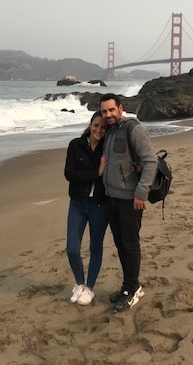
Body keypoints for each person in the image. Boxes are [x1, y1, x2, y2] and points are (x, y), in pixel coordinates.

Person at [99, 93, 157, 313]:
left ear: (120, 108)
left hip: (131, 200)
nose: (108, 114)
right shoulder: (109, 132)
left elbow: (150, 160)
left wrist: (141, 193)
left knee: (130, 244)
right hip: (112, 198)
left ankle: (131, 290)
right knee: (121, 244)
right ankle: (131, 285)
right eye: (104, 111)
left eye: (111, 110)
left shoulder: (134, 129)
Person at [64, 110, 108, 306]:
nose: (99, 130)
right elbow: (69, 174)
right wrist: (96, 173)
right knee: (72, 248)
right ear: (90, 125)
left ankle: (89, 287)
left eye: (103, 127)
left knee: (95, 247)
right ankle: (80, 283)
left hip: (99, 205)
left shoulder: (107, 148)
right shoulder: (76, 145)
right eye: (96, 125)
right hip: (77, 204)